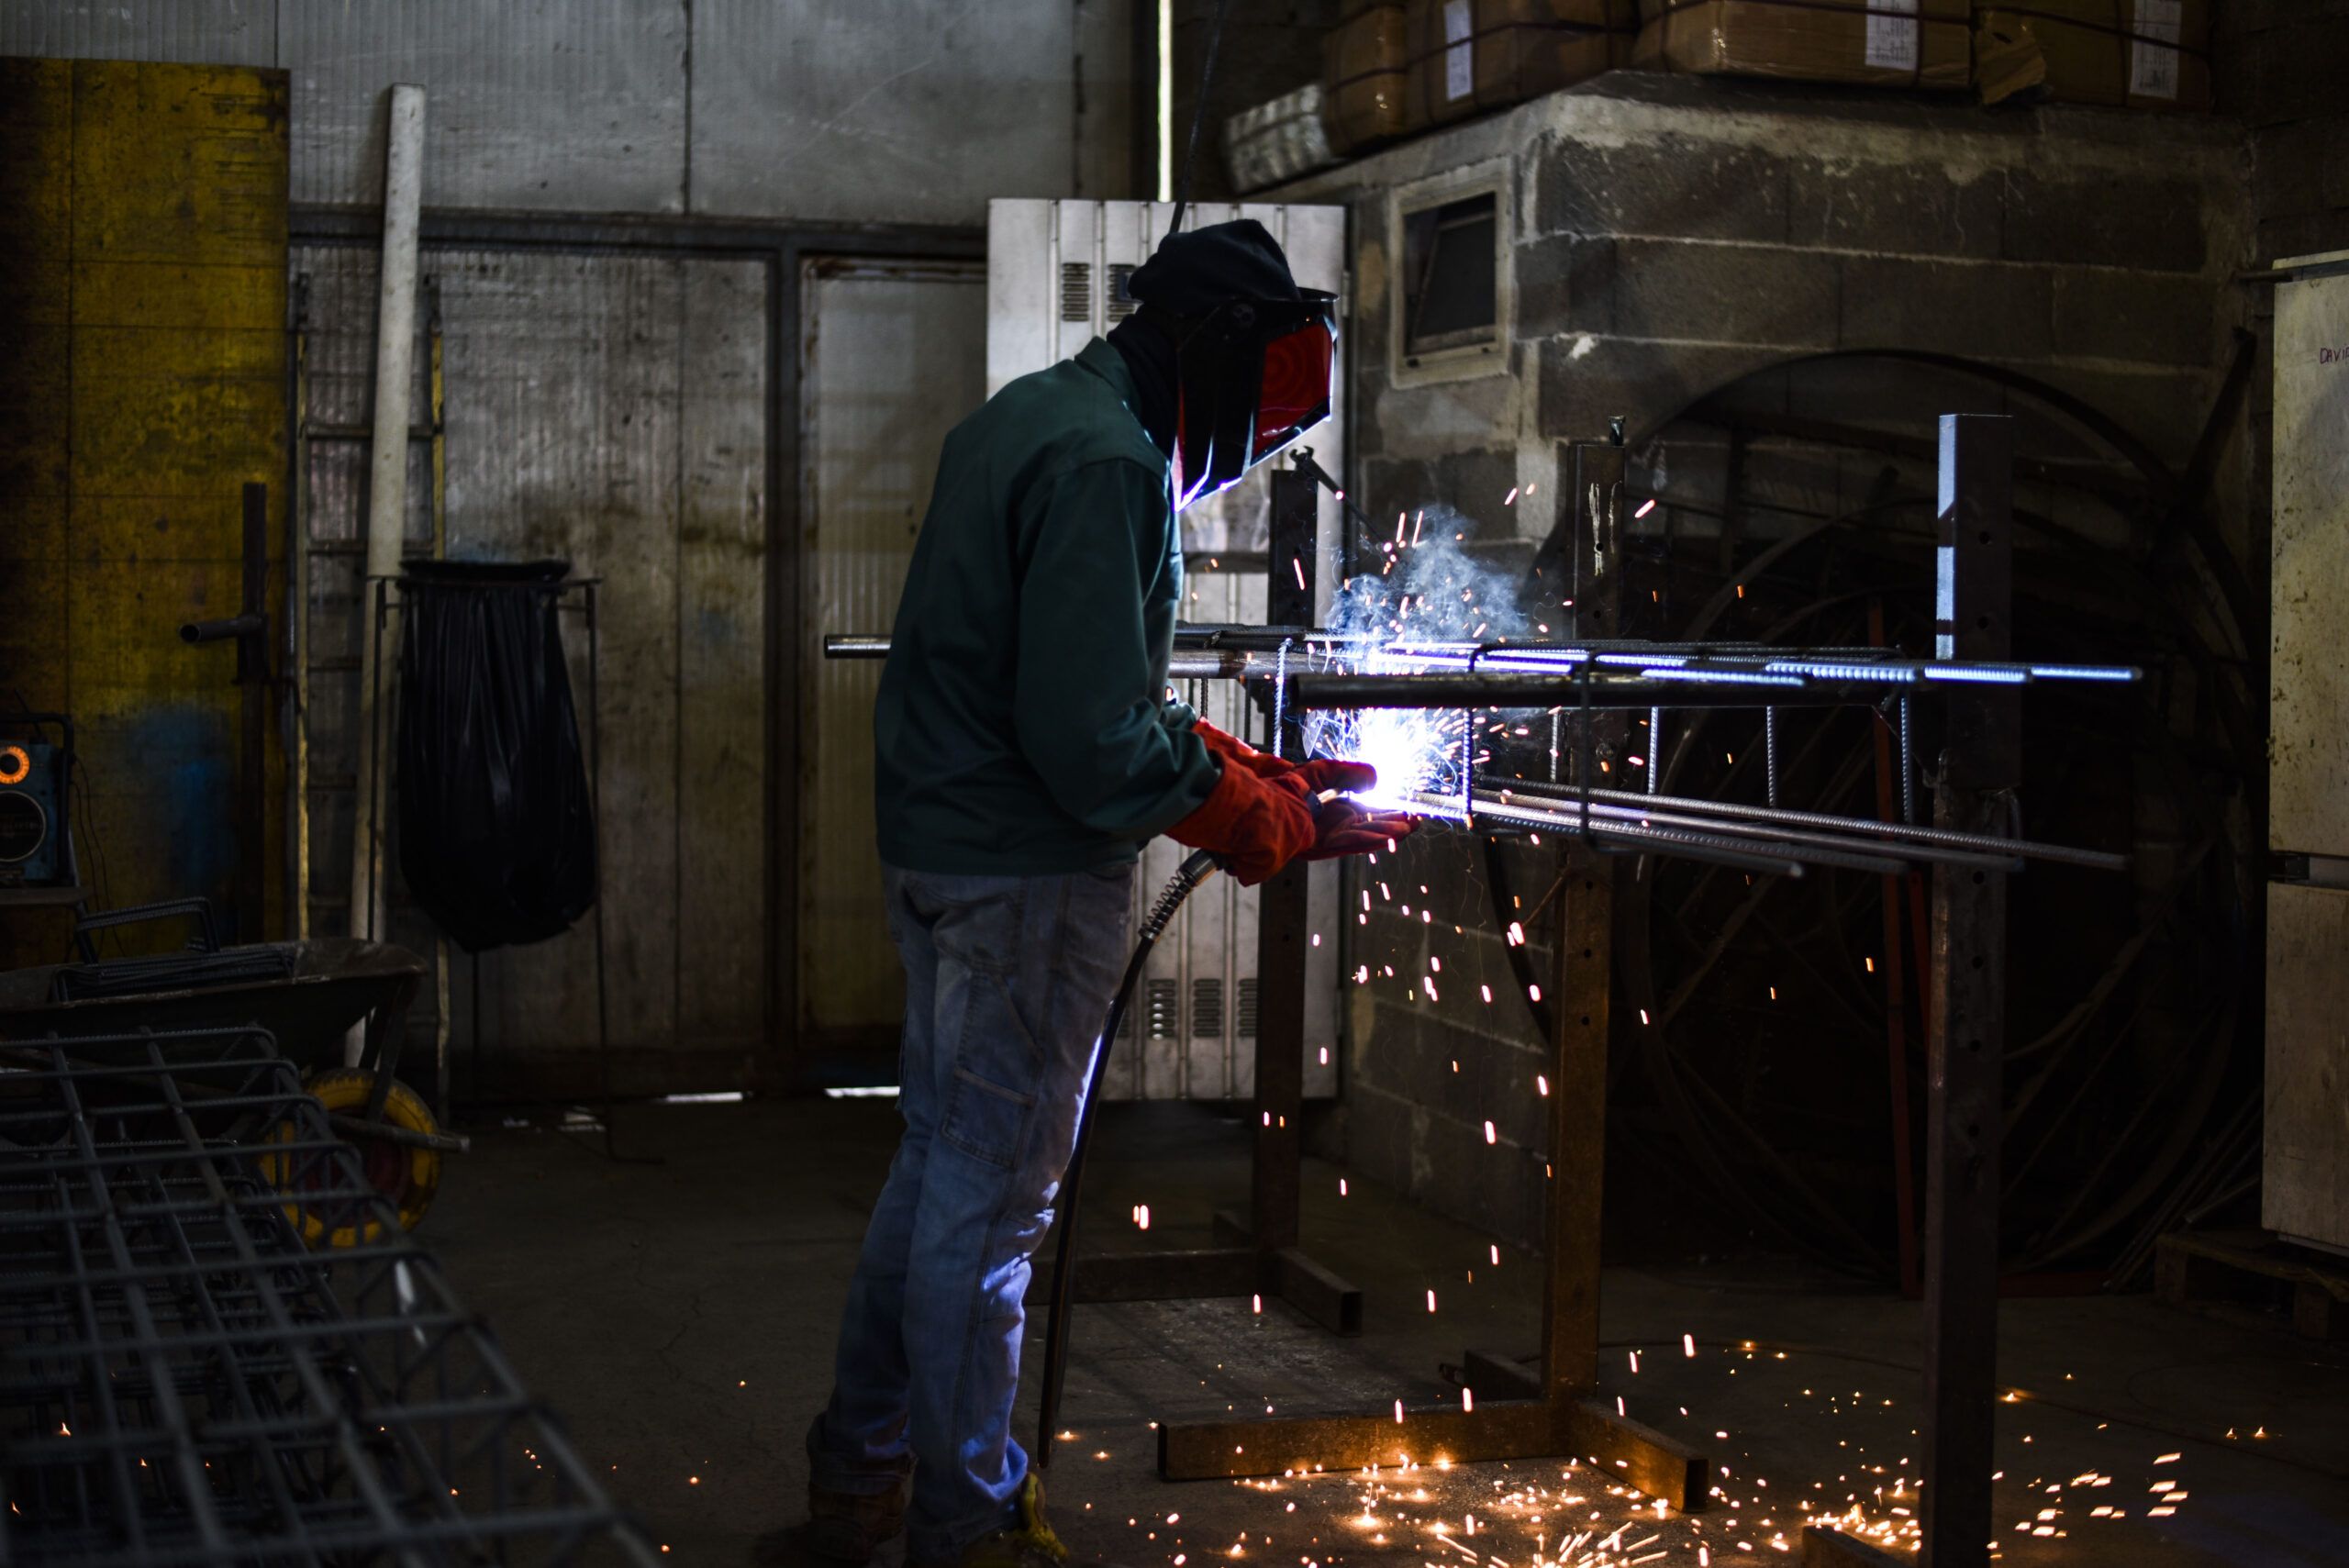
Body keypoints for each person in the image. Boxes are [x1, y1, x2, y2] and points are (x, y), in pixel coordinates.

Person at [795, 220, 1413, 1568]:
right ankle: (967, 1525)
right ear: (1211, 353)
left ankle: (861, 1471)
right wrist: (1257, 822)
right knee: (992, 1207)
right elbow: (1089, 740)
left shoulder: (1028, 418)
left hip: (942, 851)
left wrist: (1256, 771)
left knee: (936, 1170)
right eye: (1260, 407)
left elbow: (1086, 688)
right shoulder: (1112, 463)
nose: (1256, 444)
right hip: (1021, 877)